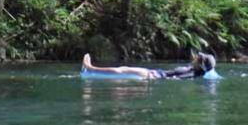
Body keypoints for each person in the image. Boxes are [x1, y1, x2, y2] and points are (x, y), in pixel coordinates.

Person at [81, 51, 217, 80]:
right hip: (154, 73)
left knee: (121, 71)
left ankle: (90, 67)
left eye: (198, 58)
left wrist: (151, 78)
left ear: (200, 65)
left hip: (152, 76)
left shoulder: (192, 73)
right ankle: (91, 68)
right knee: (122, 70)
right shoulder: (193, 69)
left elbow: (175, 79)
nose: (194, 57)